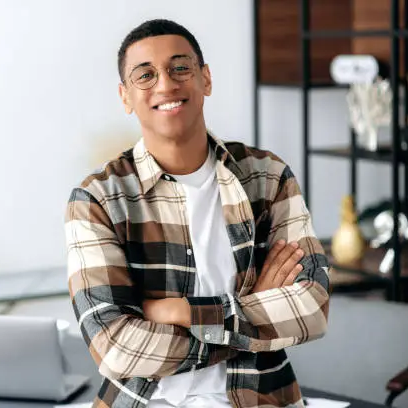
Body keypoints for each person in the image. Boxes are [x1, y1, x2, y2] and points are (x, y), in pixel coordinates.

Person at [64, 19, 330, 408]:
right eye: (146, 75)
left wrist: (182, 311)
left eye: (180, 68)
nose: (166, 85)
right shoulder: (98, 199)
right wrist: (248, 310)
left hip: (259, 397)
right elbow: (115, 349)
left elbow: (313, 308)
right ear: (125, 97)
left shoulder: (267, 177)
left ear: (205, 79)